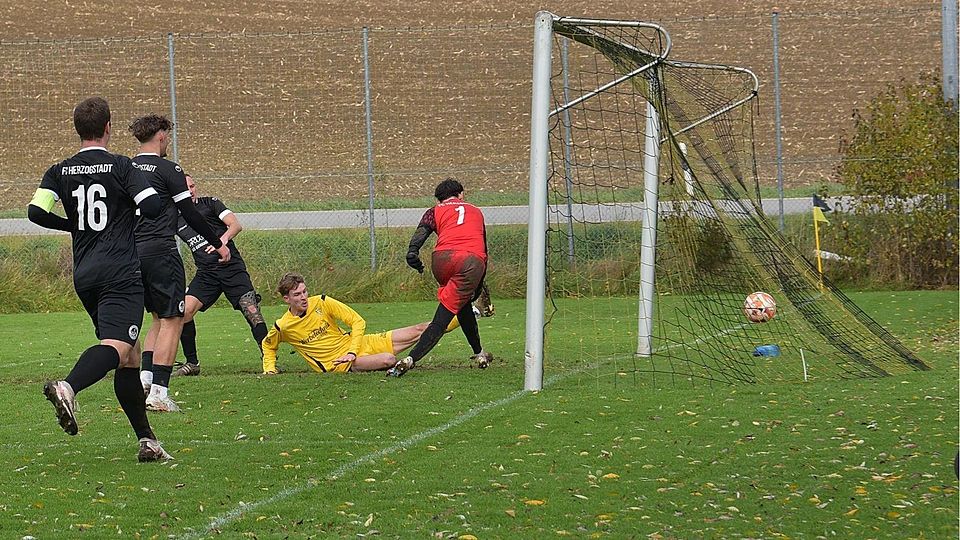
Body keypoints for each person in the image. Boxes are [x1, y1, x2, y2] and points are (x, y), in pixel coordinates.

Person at [29, 96, 171, 462]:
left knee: (129, 357)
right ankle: (68, 387)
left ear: (79, 129)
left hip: (85, 274)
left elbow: (35, 211)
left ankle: (148, 441)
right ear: (109, 127)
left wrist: (72, 225)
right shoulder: (122, 166)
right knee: (119, 347)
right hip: (120, 272)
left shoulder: (58, 170)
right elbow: (153, 206)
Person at [130, 114, 230, 412]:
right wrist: (217, 242)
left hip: (131, 254)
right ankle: (159, 393)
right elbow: (190, 212)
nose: (168, 141)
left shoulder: (126, 167)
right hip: (161, 252)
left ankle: (145, 381)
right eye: (167, 136)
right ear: (160, 135)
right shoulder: (168, 169)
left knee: (156, 319)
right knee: (173, 318)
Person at [388, 178, 493, 377]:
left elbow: (421, 234)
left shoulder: (434, 211)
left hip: (441, 260)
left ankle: (480, 353)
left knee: (462, 308)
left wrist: (412, 253)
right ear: (461, 194)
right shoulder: (476, 211)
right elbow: (483, 248)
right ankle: (410, 360)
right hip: (470, 261)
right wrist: (478, 284)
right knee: (441, 320)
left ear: (439, 200)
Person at [262, 273, 451, 374]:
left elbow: (357, 321)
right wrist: (269, 369)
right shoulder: (283, 326)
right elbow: (268, 346)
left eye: (304, 292)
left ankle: (464, 314)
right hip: (339, 364)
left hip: (356, 345)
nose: (304, 297)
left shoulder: (321, 301)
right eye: (297, 295)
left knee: (421, 329)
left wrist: (352, 350)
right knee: (389, 359)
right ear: (287, 299)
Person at [174, 174, 268, 376]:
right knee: (184, 312)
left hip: (232, 269)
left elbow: (235, 225)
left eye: (192, 186)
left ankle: (268, 360)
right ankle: (192, 364)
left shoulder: (211, 203)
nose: (190, 190)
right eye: (185, 187)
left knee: (252, 311)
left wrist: (222, 241)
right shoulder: (176, 216)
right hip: (206, 274)